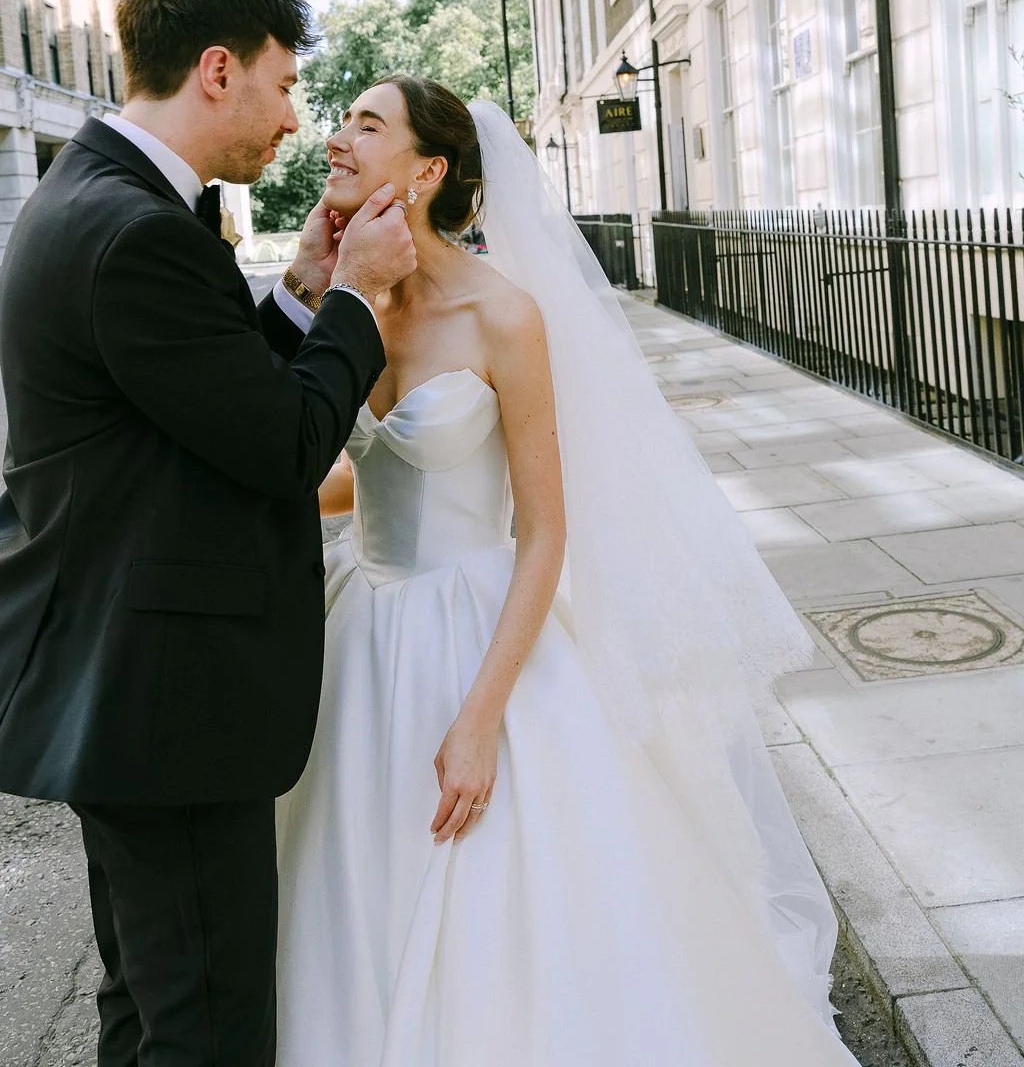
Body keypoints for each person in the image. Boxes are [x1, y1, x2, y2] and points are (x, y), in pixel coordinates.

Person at [276, 75, 859, 1066]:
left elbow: (545, 532)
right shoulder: (352, 300)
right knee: (348, 878)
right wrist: (309, 294)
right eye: (337, 123)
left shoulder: (504, 313)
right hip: (361, 631)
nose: (334, 139)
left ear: (427, 170)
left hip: (478, 635)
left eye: (364, 125)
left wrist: (477, 719)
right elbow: (338, 471)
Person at [0, 0, 416, 1067]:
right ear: (221, 70)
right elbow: (281, 444)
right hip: (164, 700)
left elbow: (197, 402)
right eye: (285, 86)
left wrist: (297, 299)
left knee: (148, 1000)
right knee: (208, 1024)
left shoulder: (99, 199)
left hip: (122, 683)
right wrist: (366, 297)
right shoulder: (135, 229)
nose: (296, 120)